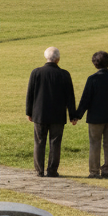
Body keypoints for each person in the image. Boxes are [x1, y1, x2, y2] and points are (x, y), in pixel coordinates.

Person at [25, 46, 77, 177]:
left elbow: (30, 94)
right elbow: (70, 97)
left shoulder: (36, 72)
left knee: (39, 142)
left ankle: (39, 170)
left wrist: (29, 112)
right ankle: (52, 170)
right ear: (58, 59)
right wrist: (73, 115)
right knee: (55, 143)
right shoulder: (64, 74)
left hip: (39, 114)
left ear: (46, 57)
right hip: (58, 115)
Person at [76, 50, 108, 179]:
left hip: (96, 118)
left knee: (94, 144)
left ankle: (94, 171)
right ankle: (107, 170)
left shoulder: (93, 79)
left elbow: (85, 99)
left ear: (95, 64)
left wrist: (77, 115)